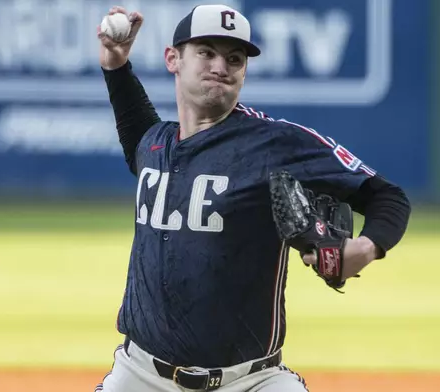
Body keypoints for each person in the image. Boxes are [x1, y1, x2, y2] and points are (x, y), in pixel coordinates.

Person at [95, 4, 410, 392]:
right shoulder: (155, 145)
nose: (220, 65)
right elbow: (135, 130)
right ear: (173, 59)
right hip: (140, 375)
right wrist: (115, 64)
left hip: (251, 380)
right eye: (206, 52)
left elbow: (387, 196)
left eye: (234, 58)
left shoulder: (274, 143)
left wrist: (366, 246)